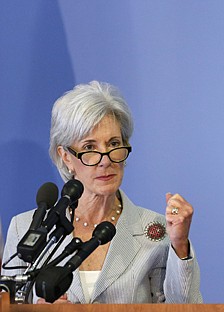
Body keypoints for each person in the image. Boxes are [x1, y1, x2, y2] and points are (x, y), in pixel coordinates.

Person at [1, 81, 202, 304]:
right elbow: (9, 304)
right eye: (89, 147)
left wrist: (180, 244)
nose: (105, 159)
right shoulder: (25, 229)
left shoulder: (156, 231)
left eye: (114, 143)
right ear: (66, 156)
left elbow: (184, 309)